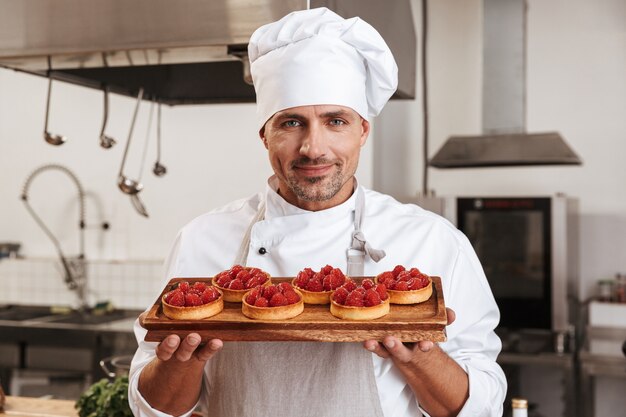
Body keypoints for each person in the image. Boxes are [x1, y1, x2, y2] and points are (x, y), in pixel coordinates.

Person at [129, 7, 506, 417]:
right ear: (264, 135)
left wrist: (419, 357)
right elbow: (154, 408)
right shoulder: (202, 239)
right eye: (291, 122)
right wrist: (182, 363)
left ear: (363, 130)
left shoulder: (432, 240)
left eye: (335, 121)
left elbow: (482, 404)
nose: (314, 148)